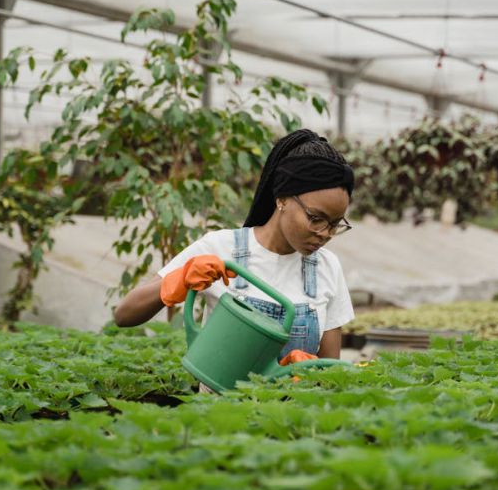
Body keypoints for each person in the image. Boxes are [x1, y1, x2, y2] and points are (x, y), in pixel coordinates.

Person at [113, 129, 356, 361]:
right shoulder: (220, 248)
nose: (326, 234)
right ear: (282, 198)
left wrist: (304, 371)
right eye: (316, 218)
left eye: (335, 224)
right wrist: (180, 279)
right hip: (224, 405)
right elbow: (124, 314)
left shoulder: (327, 267)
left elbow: (328, 371)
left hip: (291, 405)